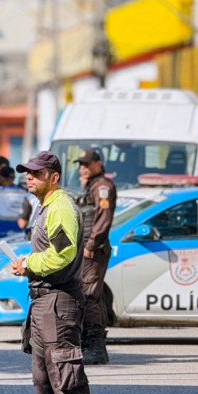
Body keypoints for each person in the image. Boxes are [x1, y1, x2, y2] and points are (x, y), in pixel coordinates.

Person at [9, 152, 93, 394]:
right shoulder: (46, 207)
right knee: (43, 374)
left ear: (53, 177)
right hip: (44, 299)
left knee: (64, 368)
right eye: (27, 173)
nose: (29, 178)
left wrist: (29, 263)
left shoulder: (60, 207)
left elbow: (64, 253)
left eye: (36, 173)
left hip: (58, 298)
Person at [74, 148, 116, 366]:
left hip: (93, 249)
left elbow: (103, 218)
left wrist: (91, 244)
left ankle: (95, 347)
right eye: (81, 164)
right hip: (87, 248)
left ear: (99, 164)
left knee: (89, 296)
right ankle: (90, 345)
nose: (83, 167)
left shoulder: (102, 187)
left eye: (87, 163)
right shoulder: (92, 186)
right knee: (90, 295)